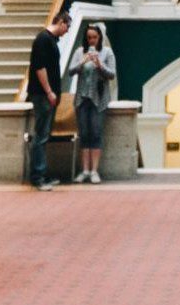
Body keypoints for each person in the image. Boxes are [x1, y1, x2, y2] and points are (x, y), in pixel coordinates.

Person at [65, 21, 116, 184]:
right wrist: (82, 62)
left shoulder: (107, 52)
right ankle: (85, 170)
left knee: (96, 133)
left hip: (98, 99)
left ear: (99, 37)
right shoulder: (80, 52)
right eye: (89, 38)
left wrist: (99, 64)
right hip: (82, 98)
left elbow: (111, 74)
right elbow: (71, 71)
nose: (91, 40)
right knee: (84, 134)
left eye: (94, 37)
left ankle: (94, 170)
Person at [27, 10, 70, 190]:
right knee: (41, 135)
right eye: (67, 26)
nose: (67, 30)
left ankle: (42, 173)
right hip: (43, 95)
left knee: (44, 135)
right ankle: (38, 176)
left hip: (47, 95)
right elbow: (40, 67)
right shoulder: (43, 39)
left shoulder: (50, 40)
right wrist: (49, 91)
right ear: (60, 22)